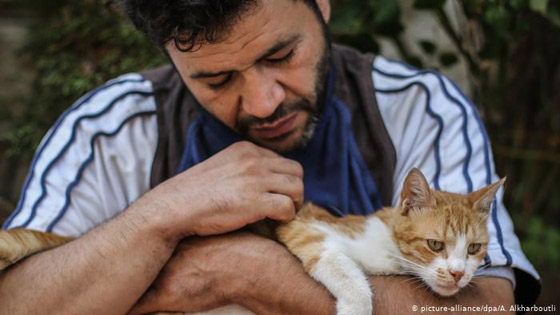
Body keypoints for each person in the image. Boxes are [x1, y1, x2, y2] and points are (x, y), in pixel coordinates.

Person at [0, 0, 540, 314]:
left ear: (322, 4)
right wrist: (157, 217)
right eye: (215, 79)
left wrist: (246, 271)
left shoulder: (419, 108)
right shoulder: (108, 127)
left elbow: (490, 306)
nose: (264, 103)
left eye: (281, 55)